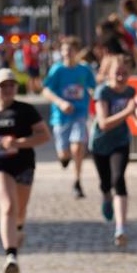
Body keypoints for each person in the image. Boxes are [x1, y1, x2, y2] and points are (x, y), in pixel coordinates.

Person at [0, 69, 50, 273]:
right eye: (2, 86)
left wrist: (19, 143)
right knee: (8, 206)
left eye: (11, 85)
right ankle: (11, 256)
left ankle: (18, 229)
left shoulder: (25, 110)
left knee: (20, 211)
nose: (7, 89)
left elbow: (44, 135)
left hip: (23, 166)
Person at [90, 53, 137, 248]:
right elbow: (103, 124)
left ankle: (120, 228)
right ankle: (106, 196)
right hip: (100, 143)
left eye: (125, 73)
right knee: (106, 183)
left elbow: (131, 110)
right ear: (109, 74)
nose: (121, 77)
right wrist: (128, 112)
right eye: (117, 73)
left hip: (121, 141)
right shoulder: (102, 92)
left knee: (118, 179)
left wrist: (136, 120)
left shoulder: (130, 90)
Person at [42, 37, 97, 197]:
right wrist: (60, 103)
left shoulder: (84, 69)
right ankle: (64, 158)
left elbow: (93, 87)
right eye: (64, 50)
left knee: (78, 147)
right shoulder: (57, 70)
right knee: (65, 154)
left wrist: (95, 97)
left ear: (77, 52)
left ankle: (77, 181)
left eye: (70, 50)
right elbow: (46, 90)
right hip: (61, 117)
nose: (67, 53)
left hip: (79, 113)